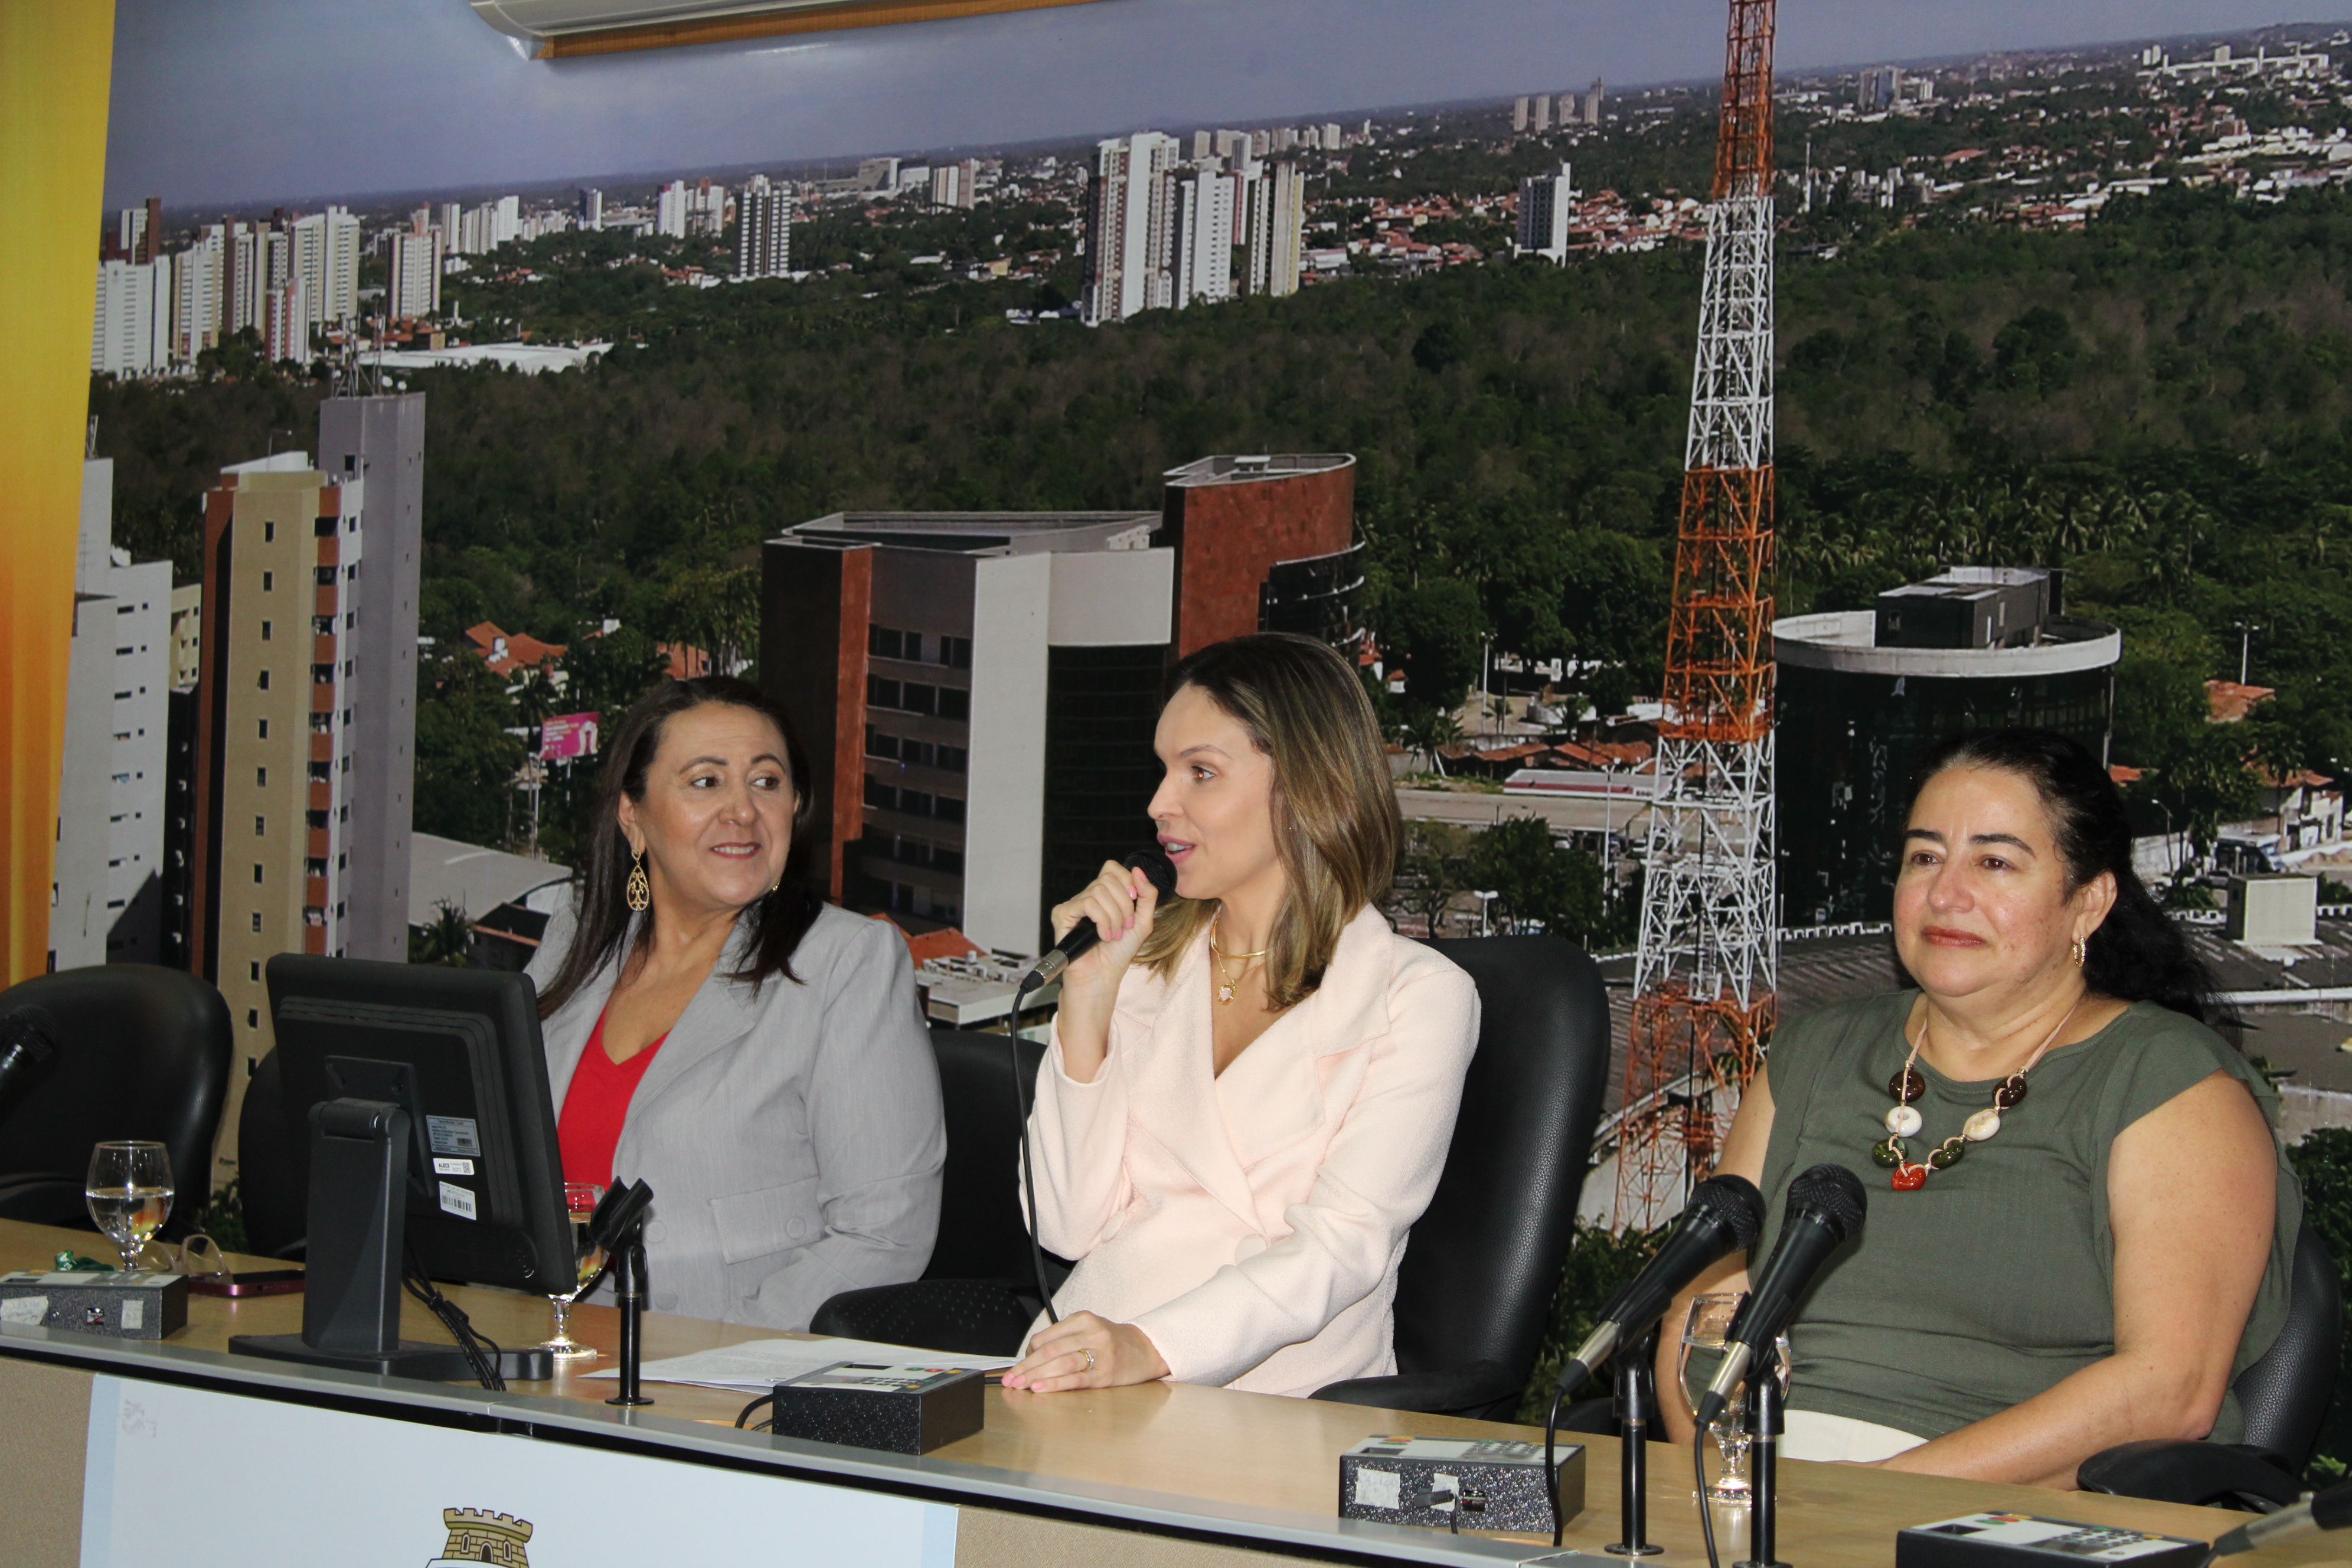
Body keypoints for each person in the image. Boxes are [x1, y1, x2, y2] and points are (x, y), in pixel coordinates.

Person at [1658, 728, 2301, 1486]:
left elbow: (2170, 1392)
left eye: (1994, 862)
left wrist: (1865, 1507)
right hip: (1759, 1486)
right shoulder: (1815, 1053)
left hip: (1997, 1513)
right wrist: (1715, 1488)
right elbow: (1701, 1317)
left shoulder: (2169, 1082)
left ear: (2088, 902)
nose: (1946, 893)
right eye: (1925, 856)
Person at [1002, 633, 1481, 1399]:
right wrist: (1088, 998)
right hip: (1088, 1370)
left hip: (1282, 1397)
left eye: (1201, 773)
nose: (1161, 804)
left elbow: (1338, 1250)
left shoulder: (1415, 998)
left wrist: (1151, 1346)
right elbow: (1063, 1226)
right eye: (1163, 771)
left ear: (1303, 784)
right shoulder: (1148, 966)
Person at [527, 676, 943, 1328]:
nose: (743, 811)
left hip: (723, 1382)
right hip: (541, 1351)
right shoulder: (577, 937)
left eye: (767, 782)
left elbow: (885, 1234)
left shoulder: (847, 963)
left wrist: (714, 1363)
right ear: (633, 817)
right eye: (705, 782)